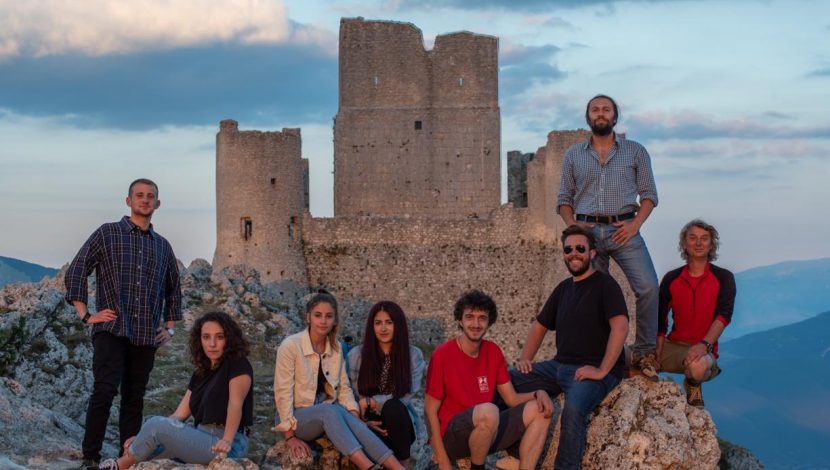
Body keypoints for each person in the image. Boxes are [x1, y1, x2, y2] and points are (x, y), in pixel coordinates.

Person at [65, 178, 182, 469]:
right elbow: (77, 270)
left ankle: (126, 459)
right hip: (112, 329)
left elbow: (174, 289)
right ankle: (90, 457)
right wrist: (86, 315)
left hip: (145, 335)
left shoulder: (163, 247)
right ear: (128, 201)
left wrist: (169, 328)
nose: (145, 200)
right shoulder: (108, 234)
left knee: (135, 397)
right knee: (104, 390)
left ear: (157, 203)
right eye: (139, 196)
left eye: (150, 196)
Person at [557, 94, 660, 380]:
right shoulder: (573, 155)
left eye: (606, 109)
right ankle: (601, 355)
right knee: (591, 297)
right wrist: (573, 227)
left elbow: (650, 195)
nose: (600, 114)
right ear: (588, 116)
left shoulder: (636, 152)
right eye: (595, 109)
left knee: (649, 287)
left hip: (624, 229)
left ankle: (644, 352)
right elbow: (564, 199)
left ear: (615, 117)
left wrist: (636, 224)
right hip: (587, 233)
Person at [512, 225, 629, 470]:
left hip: (593, 371)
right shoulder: (563, 289)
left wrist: (601, 371)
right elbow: (539, 326)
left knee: (573, 409)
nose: (573, 253)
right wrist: (525, 358)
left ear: (592, 253)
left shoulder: (606, 286)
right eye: (568, 249)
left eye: (580, 248)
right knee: (505, 380)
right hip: (559, 366)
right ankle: (514, 451)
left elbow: (620, 328)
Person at [97, 312, 254, 469]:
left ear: (229, 339)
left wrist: (227, 439)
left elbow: (235, 404)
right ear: (200, 340)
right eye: (206, 337)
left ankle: (116, 467)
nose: (212, 344)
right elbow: (179, 415)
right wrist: (141, 437)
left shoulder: (238, 364)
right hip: (200, 437)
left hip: (227, 443)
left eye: (219, 337)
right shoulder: (201, 372)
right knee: (146, 450)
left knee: (155, 425)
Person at [273, 291, 405, 470]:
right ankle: (368, 467)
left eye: (328, 316)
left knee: (350, 418)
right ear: (308, 317)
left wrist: (353, 414)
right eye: (317, 315)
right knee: (330, 410)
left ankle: (399, 468)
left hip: (327, 413)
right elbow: (283, 393)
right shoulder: (291, 346)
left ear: (335, 320)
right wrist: (290, 436)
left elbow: (344, 388)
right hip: (296, 419)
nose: (323, 321)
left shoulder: (335, 348)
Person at [425, 290, 553, 470]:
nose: (476, 324)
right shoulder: (442, 355)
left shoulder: (493, 352)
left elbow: (512, 399)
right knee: (490, 411)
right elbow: (429, 411)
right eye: (469, 317)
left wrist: (538, 393)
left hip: (485, 432)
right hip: (453, 437)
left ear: (489, 322)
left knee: (541, 410)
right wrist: (443, 459)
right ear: (460, 321)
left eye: (482, 318)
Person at [658, 219, 736, 408]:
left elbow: (723, 317)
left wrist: (704, 345)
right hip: (673, 345)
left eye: (704, 239)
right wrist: (657, 352)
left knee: (697, 368)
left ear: (711, 244)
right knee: (626, 356)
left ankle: (693, 385)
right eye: (692, 238)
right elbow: (659, 318)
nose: (699, 243)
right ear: (684, 243)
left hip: (705, 351)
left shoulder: (723, 278)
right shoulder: (672, 278)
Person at [348, 301, 426, 465]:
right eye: (378, 323)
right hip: (365, 421)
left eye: (389, 322)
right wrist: (361, 419)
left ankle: (403, 464)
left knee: (394, 407)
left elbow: (405, 395)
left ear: (399, 325)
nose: (383, 328)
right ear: (372, 326)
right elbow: (351, 394)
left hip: (399, 422)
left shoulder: (413, 355)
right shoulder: (356, 355)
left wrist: (372, 401)